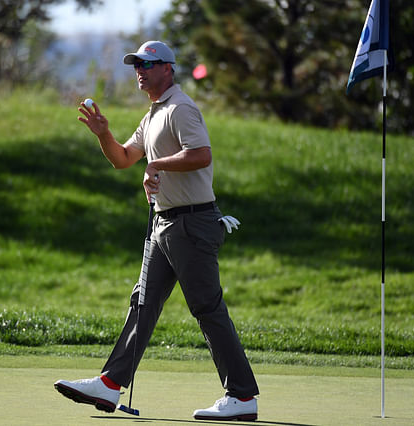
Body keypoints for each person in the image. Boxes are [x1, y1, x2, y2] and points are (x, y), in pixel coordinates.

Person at [54, 41, 259, 421]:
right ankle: (111, 385)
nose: (140, 70)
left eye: (148, 64)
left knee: (207, 308)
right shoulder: (152, 115)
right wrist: (103, 134)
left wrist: (158, 164)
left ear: (168, 68)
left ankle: (242, 396)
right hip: (164, 225)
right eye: (136, 64)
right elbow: (124, 159)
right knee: (142, 305)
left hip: (193, 223)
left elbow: (201, 154)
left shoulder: (181, 109)